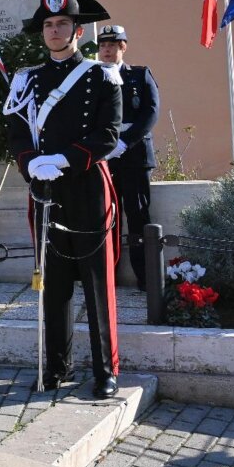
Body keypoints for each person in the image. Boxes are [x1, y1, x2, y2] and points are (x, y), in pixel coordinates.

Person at [4, 0, 122, 399]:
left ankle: (105, 370)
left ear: (77, 29)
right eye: (48, 25)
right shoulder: (25, 79)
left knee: (96, 285)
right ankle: (56, 365)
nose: (54, 31)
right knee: (53, 286)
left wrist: (65, 162)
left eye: (62, 25)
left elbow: (109, 135)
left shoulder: (101, 76)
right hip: (45, 191)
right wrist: (32, 162)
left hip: (87, 185)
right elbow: (15, 131)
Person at [97, 25, 159, 292]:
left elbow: (151, 114)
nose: (107, 50)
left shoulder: (139, 75)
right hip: (105, 157)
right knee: (105, 217)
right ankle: (107, 273)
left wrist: (125, 142)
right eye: (103, 46)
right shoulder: (94, 79)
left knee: (137, 215)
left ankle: (145, 276)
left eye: (113, 45)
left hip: (134, 156)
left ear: (123, 47)